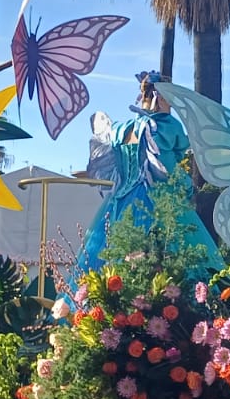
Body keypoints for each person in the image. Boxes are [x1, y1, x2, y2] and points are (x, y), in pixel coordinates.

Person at [81, 71, 222, 276]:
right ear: (161, 97)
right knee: (174, 255)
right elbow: (167, 168)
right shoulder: (165, 126)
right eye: (170, 100)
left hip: (119, 201)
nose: (171, 107)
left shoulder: (120, 130)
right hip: (157, 200)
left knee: (110, 259)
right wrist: (186, 185)